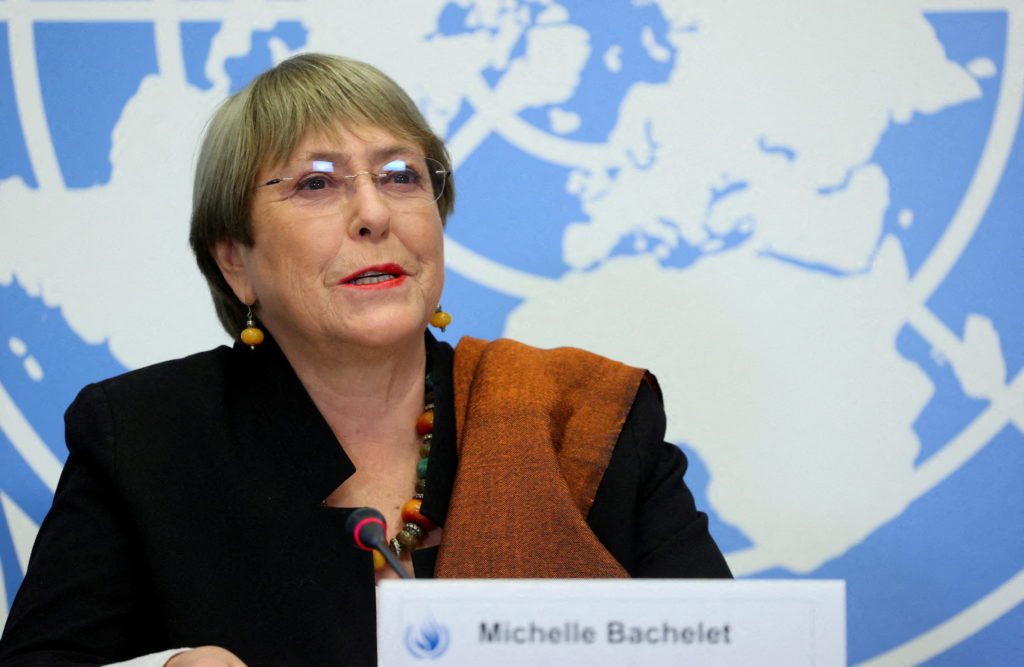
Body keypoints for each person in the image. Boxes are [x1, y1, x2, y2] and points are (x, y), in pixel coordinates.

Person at [0, 53, 731, 667]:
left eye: (400, 175)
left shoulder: (585, 419)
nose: (374, 213)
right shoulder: (145, 438)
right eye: (317, 182)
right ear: (236, 262)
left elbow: (729, 650)